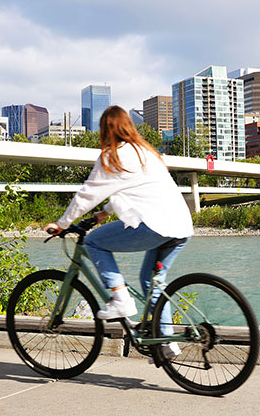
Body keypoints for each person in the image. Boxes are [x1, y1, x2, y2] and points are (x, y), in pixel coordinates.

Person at [45, 105, 194, 358]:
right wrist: (104, 213)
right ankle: (166, 342)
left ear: (105, 130)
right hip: (181, 226)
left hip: (156, 226)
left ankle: (120, 298)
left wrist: (62, 224)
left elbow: (86, 195)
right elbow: (135, 191)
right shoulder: (147, 152)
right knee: (152, 281)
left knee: (93, 241)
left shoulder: (112, 156)